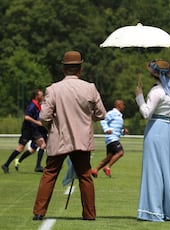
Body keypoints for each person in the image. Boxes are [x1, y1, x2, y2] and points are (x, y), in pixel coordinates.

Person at [32, 51, 106, 221]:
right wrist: (88, 118)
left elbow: (44, 117)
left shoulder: (53, 89)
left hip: (59, 138)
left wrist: (50, 125)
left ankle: (39, 212)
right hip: (82, 139)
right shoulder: (90, 88)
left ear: (63, 69)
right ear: (80, 69)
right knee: (85, 176)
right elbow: (101, 114)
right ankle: (89, 214)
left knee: (49, 174)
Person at [135, 59, 170, 222]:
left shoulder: (156, 92)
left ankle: (153, 210)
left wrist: (139, 97)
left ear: (154, 75)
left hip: (155, 130)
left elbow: (146, 113)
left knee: (154, 170)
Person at [1, 89, 46, 174]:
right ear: (36, 96)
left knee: (43, 144)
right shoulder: (32, 105)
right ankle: (6, 165)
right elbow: (26, 117)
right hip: (28, 130)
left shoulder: (37, 105)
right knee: (20, 148)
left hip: (34, 130)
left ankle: (38, 166)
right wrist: (37, 122)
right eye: (41, 95)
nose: (42, 97)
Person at [91, 99, 128, 178]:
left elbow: (116, 129)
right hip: (112, 138)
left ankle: (95, 170)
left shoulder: (119, 116)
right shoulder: (112, 113)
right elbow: (103, 120)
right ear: (118, 105)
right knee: (120, 152)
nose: (124, 107)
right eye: (123, 105)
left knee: (109, 158)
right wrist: (106, 129)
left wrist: (123, 131)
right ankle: (107, 167)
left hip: (113, 138)